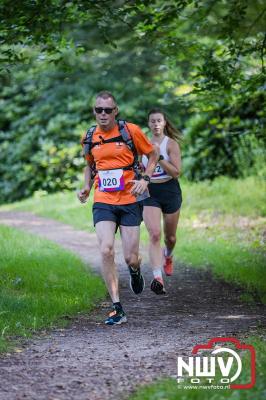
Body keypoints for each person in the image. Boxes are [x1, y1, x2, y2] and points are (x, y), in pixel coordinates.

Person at [78, 91, 158, 325]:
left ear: (116, 111)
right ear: (94, 111)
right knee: (106, 250)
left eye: (108, 110)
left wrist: (145, 179)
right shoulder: (89, 136)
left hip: (130, 199)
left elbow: (153, 155)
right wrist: (86, 187)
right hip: (103, 199)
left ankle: (135, 270)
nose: (103, 114)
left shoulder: (130, 131)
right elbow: (90, 166)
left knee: (131, 257)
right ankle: (117, 307)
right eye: (98, 110)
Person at [142, 108, 182, 295]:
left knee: (170, 237)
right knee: (155, 234)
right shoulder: (142, 143)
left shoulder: (171, 144)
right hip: (150, 191)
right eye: (152, 121)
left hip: (170, 190)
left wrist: (159, 158)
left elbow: (176, 172)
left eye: (159, 121)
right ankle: (157, 277)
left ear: (164, 123)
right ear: (148, 124)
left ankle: (169, 255)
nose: (156, 124)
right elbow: (136, 168)